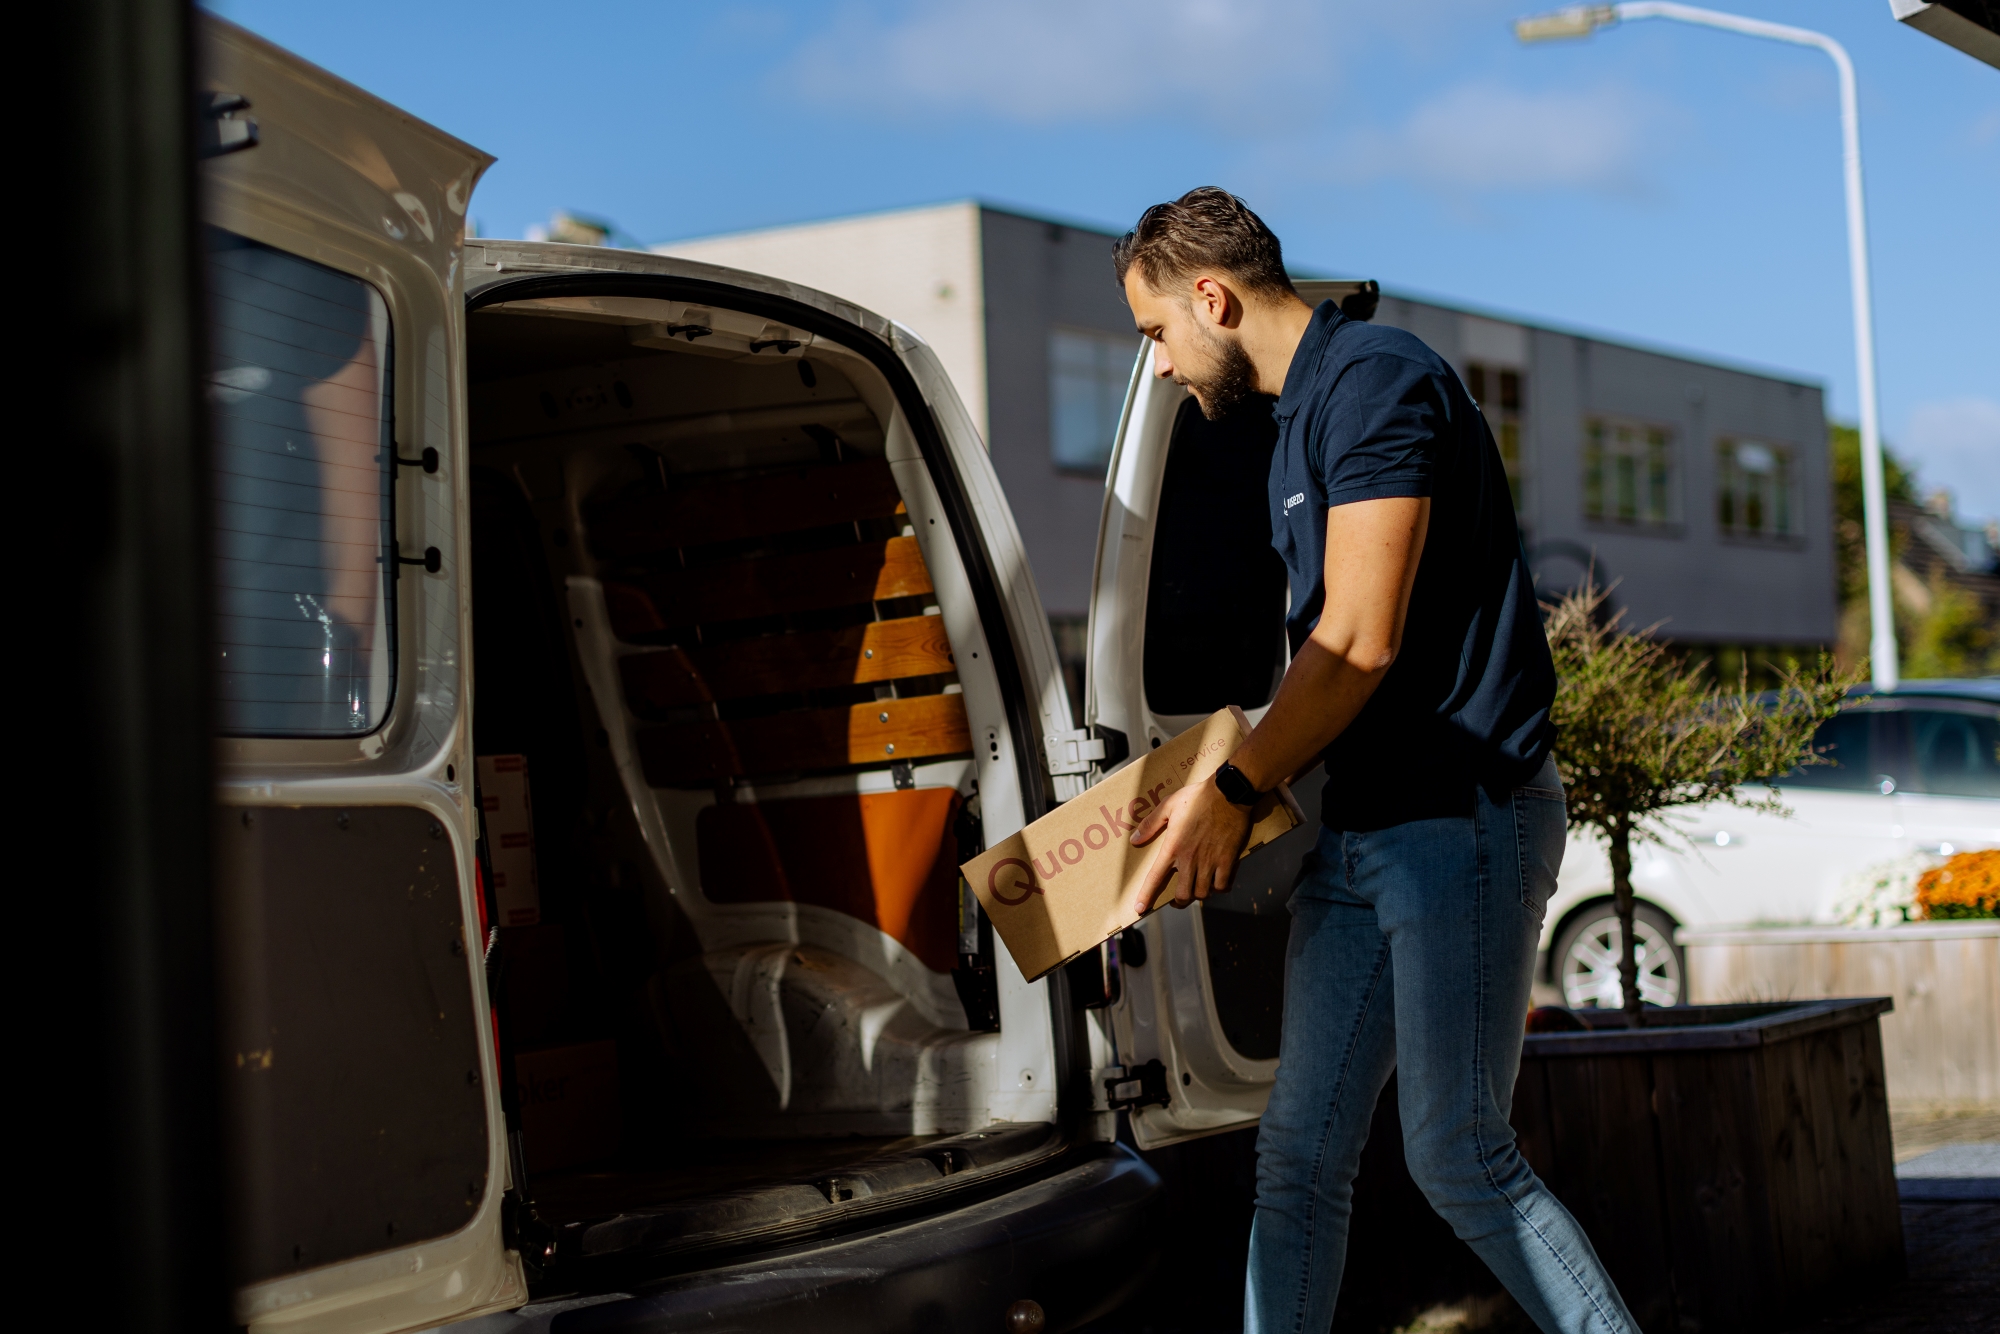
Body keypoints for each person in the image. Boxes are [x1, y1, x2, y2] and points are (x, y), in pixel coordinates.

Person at [1115, 188, 1638, 1334]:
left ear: (1210, 296)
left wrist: (1234, 791)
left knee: (1458, 1153)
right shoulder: (1292, 423)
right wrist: (1210, 768)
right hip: (1358, 832)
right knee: (1296, 1155)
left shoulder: (1376, 382)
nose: (1155, 365)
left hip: (1459, 819)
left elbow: (1357, 639)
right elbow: (1323, 657)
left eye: (1153, 332)